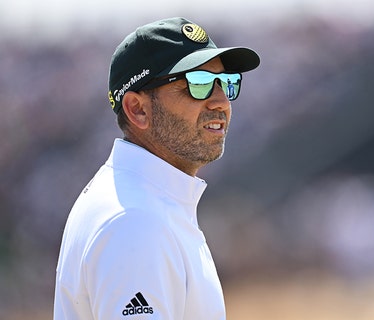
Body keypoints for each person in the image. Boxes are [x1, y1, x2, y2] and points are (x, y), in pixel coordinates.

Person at [53, 17, 260, 319]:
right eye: (198, 84)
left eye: (226, 83)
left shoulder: (138, 202)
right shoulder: (136, 221)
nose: (221, 102)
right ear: (138, 109)